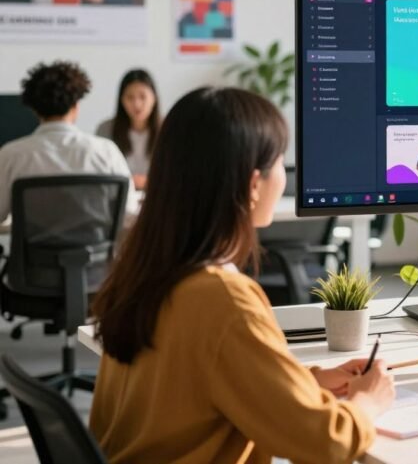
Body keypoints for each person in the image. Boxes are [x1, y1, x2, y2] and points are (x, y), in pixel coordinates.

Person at [89, 87, 395, 463]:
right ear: (253, 184)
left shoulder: (146, 271)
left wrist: (308, 380)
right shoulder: (222, 299)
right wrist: (369, 401)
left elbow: (193, 384)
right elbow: (324, 444)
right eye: (281, 162)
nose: (283, 176)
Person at [0, 61, 134, 226]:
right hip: (96, 252)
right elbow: (129, 214)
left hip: (32, 252)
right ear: (76, 106)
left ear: (35, 110)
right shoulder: (106, 152)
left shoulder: (11, 155)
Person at [95, 70, 161, 190]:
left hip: (158, 195)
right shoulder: (106, 129)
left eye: (143, 97)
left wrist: (148, 182)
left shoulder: (166, 128)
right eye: (130, 97)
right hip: (119, 196)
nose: (137, 104)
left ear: (154, 98)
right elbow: (100, 172)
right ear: (122, 100)